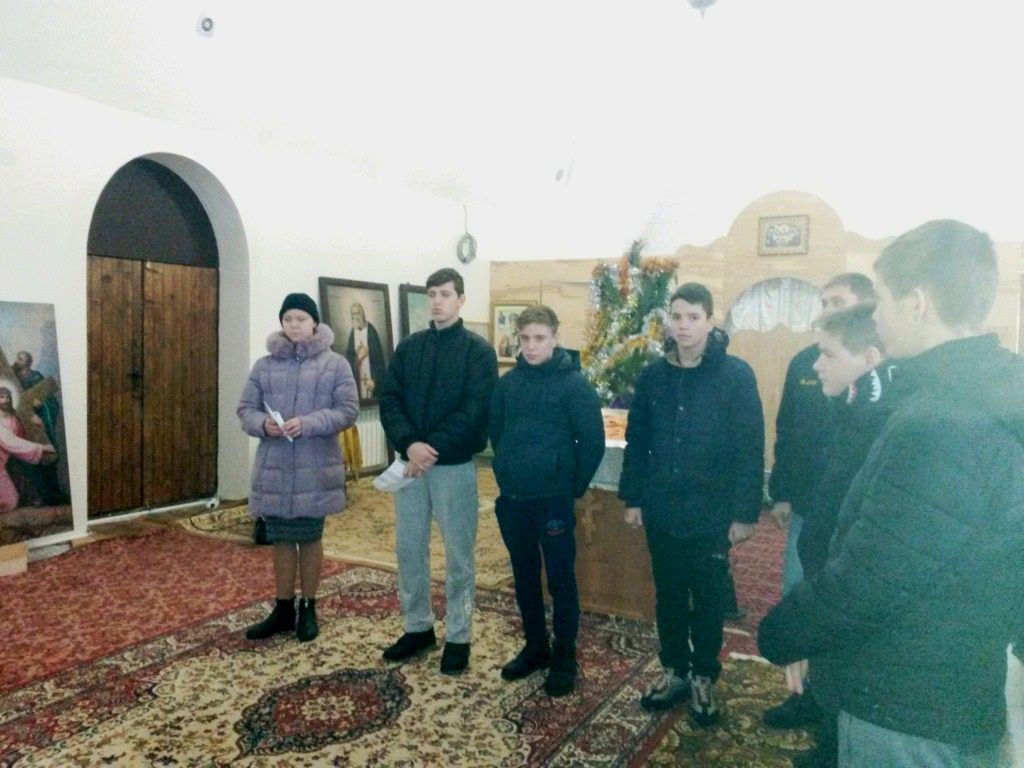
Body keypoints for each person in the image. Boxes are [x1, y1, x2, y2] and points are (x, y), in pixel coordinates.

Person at [758, 220, 1024, 767]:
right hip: (961, 684)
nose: (874, 316)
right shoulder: (992, 391)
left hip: (905, 704)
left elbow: (873, 577)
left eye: (881, 300)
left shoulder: (939, 421)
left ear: (917, 303)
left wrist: (782, 633)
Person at [619, 282, 764, 725]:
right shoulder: (653, 375)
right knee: (668, 596)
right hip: (662, 508)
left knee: (706, 598)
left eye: (693, 317)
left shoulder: (735, 375)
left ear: (709, 321)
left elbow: (750, 447)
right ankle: (675, 672)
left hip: (711, 512)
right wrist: (633, 497)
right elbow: (637, 441)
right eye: (677, 317)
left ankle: (703, 676)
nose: (683, 326)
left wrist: (744, 513)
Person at [782, 303, 894, 768]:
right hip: (827, 571)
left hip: (846, 585)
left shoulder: (883, 423)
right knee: (831, 679)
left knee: (846, 679)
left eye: (827, 354)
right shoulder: (852, 408)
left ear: (869, 358)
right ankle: (829, 744)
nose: (815, 364)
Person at [763, 272, 875, 731]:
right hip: (809, 504)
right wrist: (781, 492)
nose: (828, 310)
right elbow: (788, 429)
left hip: (855, 517)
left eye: (839, 302)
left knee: (842, 604)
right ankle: (805, 696)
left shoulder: (877, 378)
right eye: (824, 302)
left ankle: (835, 705)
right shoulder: (805, 363)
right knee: (801, 592)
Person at [378, 267, 498, 675]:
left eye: (445, 294)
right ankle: (418, 627)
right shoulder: (410, 348)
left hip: (453, 465)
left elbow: (475, 409)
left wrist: (430, 448)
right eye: (432, 294)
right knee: (409, 549)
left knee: (459, 555)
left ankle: (459, 635)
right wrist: (409, 443)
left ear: (461, 299)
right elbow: (390, 399)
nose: (437, 302)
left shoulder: (478, 352)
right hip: (410, 465)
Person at [489, 305, 605, 697]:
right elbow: (496, 433)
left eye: (539, 338)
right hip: (514, 500)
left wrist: (570, 486)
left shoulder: (575, 386)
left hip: (553, 500)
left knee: (560, 578)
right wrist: (507, 470)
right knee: (523, 576)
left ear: (555, 338)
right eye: (525, 339)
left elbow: (592, 443)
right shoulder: (507, 385)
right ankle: (535, 645)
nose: (531, 346)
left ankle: (564, 654)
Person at [237, 292, 359, 643]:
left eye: (301, 319)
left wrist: (308, 423)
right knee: (280, 538)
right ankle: (283, 608)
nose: (294, 325)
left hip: (314, 466)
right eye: (288, 319)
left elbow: (347, 410)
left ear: (314, 323)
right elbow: (245, 409)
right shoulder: (264, 366)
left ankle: (308, 607)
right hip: (275, 466)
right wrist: (263, 425)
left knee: (309, 537)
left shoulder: (335, 364)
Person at [12, 351, 68, 505]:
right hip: (21, 426)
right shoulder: (12, 378)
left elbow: (51, 402)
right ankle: (38, 496)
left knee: (47, 457)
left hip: (38, 426)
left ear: (28, 363)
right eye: (17, 357)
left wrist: (41, 405)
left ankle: (53, 494)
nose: (16, 361)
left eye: (20, 359)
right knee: (27, 460)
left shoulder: (36, 377)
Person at [0, 386, 55, 513]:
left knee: (30, 467)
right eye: (1, 397)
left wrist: (37, 422)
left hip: (17, 456)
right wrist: (41, 448)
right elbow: (10, 442)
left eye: (8, 397)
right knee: (9, 502)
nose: (6, 400)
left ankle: (38, 497)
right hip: (3, 463)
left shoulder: (15, 417)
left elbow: (24, 436)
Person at [345, 302, 387, 400]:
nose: (356, 317)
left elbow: (379, 360)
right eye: (353, 314)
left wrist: (375, 380)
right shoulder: (352, 333)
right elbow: (349, 359)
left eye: (357, 313)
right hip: (358, 378)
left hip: (371, 378)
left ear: (362, 314)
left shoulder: (371, 331)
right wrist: (358, 358)